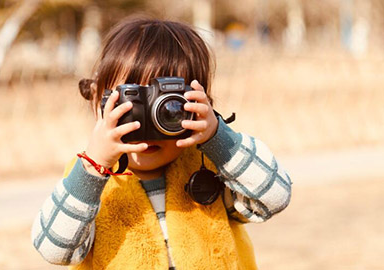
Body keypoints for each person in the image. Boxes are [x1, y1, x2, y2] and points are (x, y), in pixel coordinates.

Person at [31, 17, 292, 270]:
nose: (149, 123)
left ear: (200, 105)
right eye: (131, 105)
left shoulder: (213, 169)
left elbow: (274, 197)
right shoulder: (88, 181)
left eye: (170, 106)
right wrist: (94, 166)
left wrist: (217, 137)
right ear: (98, 102)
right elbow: (55, 250)